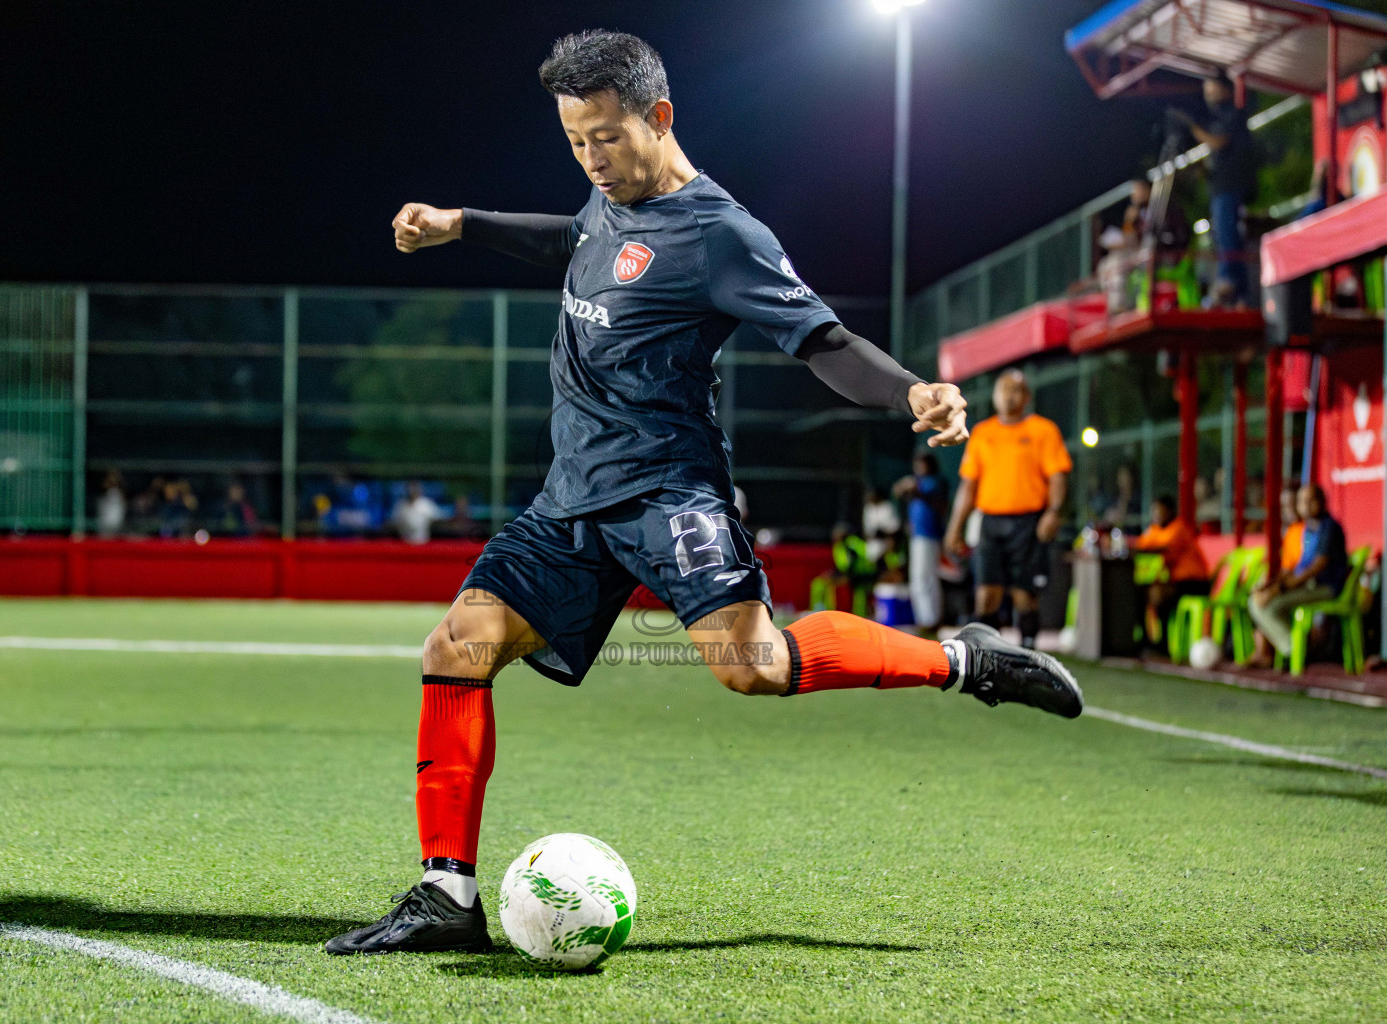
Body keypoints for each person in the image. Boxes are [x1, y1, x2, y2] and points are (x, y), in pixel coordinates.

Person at [324, 30, 1083, 958]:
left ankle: (966, 660)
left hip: (669, 492)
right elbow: (573, 240)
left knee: (752, 666)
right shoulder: (606, 198)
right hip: (572, 498)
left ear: (660, 117)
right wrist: (463, 224)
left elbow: (824, 342)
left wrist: (911, 392)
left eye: (608, 136)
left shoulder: (723, 234)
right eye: (575, 141)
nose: (592, 158)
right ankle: (448, 896)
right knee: (457, 645)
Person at [943, 369, 1072, 650]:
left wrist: (1053, 512)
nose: (1009, 396)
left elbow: (1057, 476)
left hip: (1029, 522)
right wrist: (955, 528)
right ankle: (987, 655)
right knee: (986, 593)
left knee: (1024, 593)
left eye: (1016, 390)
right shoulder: (982, 433)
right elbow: (968, 486)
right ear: (994, 396)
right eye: (1003, 389)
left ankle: (1027, 653)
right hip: (990, 522)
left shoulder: (1043, 430)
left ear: (1027, 397)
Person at [1172, 76, 1255, 307]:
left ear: (1225, 87)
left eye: (1211, 85)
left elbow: (1219, 141)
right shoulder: (1217, 115)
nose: (1207, 91)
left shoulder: (1233, 113)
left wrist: (1192, 127)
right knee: (1222, 235)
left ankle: (1229, 282)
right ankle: (1237, 292)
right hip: (1219, 187)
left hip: (1230, 186)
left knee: (1228, 235)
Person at [1248, 484, 1348, 663]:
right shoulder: (1308, 530)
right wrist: (1268, 586)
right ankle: (1294, 649)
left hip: (1326, 587)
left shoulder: (1329, 528)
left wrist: (1280, 589)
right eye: (1302, 501)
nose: (1306, 505)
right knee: (1256, 601)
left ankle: (1296, 652)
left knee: (1270, 605)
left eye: (1311, 500)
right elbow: (1295, 568)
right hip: (1306, 585)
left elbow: (1316, 568)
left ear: (1322, 501)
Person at [1132, 496, 1210, 650]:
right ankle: (1146, 639)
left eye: (1159, 511)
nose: (1156, 514)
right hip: (1175, 581)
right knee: (1141, 593)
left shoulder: (1179, 528)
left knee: (1160, 595)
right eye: (1154, 511)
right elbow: (1140, 545)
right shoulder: (1156, 529)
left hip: (1195, 583)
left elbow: (1162, 548)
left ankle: (1164, 644)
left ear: (1169, 512)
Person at [893, 453, 947, 631]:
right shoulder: (916, 482)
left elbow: (937, 502)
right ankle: (922, 618)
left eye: (922, 464)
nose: (919, 467)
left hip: (930, 535)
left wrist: (914, 488)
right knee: (917, 577)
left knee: (927, 577)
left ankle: (932, 619)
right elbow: (897, 490)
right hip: (916, 535)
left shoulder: (935, 482)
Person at [97, 469, 126, 538]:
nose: (112, 481)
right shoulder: (103, 494)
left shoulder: (118, 493)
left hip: (117, 528)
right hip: (104, 528)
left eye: (114, 479)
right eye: (110, 480)